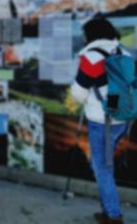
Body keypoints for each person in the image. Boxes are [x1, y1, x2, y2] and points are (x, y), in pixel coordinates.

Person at [71, 17, 127, 224]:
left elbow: (78, 94)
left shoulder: (91, 57)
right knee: (106, 165)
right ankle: (107, 211)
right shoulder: (124, 52)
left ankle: (113, 216)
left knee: (101, 168)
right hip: (123, 119)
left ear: (91, 35)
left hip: (102, 122)